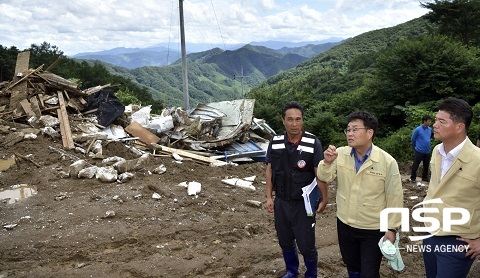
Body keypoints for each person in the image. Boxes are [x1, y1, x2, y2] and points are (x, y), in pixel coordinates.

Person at [317, 111, 403, 278]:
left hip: (372, 228)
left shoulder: (387, 161)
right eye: (348, 130)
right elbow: (324, 177)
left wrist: (392, 229)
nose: (350, 133)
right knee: (352, 266)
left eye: (355, 129)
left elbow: (395, 198)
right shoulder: (340, 154)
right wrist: (327, 162)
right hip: (345, 224)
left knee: (369, 272)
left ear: (369, 132)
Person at [265, 101, 328, 278]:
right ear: (283, 120)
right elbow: (269, 170)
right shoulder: (275, 142)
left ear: (302, 121)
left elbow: (319, 172)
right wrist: (269, 197)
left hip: (304, 204)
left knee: (307, 243)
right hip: (282, 201)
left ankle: (311, 274)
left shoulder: (313, 142)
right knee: (285, 240)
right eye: (290, 119)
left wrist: (324, 198)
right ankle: (292, 271)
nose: (294, 124)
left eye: (298, 119)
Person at [422, 98, 480, 278]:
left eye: (442, 121)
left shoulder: (477, 160)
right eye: (435, 120)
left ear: (459, 127)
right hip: (430, 232)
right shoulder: (437, 152)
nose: (435, 125)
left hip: (459, 240)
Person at [410, 115, 432, 183]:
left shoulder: (430, 129)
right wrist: (415, 146)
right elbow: (413, 139)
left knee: (426, 165)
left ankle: (424, 177)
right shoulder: (418, 129)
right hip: (419, 150)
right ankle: (413, 177)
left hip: (427, 150)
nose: (430, 122)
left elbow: (429, 138)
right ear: (424, 121)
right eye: (428, 121)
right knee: (416, 164)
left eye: (430, 121)